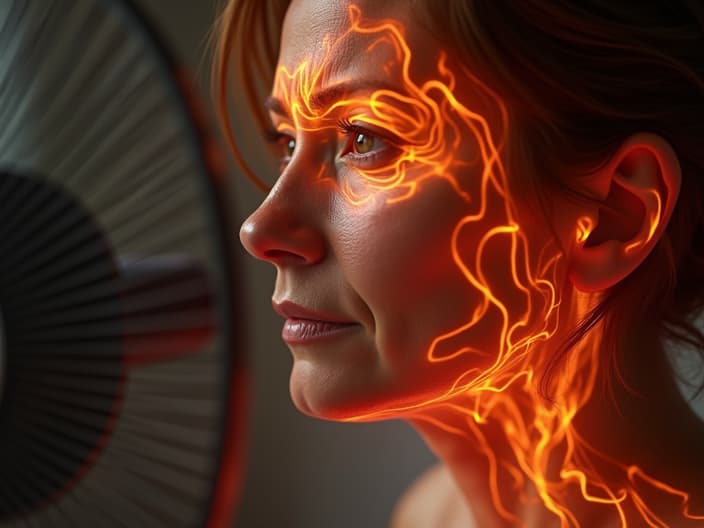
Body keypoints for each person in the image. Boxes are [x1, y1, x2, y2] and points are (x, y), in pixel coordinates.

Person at [212, 1, 704, 526]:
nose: (259, 231)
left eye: (364, 137)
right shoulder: (423, 516)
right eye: (288, 141)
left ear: (613, 217)